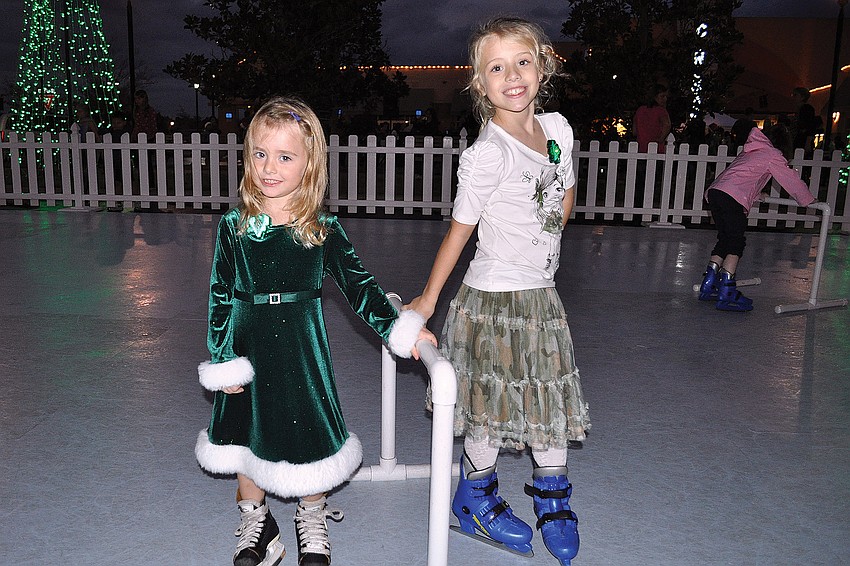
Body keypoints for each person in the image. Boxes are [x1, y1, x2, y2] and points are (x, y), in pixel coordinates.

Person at [196, 96, 435, 566]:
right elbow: (219, 295)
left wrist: (403, 331)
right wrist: (222, 357)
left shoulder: (321, 227)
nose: (269, 167)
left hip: (301, 349)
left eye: (285, 157)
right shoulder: (233, 225)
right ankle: (257, 522)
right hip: (247, 345)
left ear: (309, 164)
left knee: (308, 430)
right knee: (244, 438)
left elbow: (359, 286)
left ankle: (312, 514)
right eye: (260, 154)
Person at [406, 17, 590, 566]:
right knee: (489, 409)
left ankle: (552, 498)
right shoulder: (488, 154)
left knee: (548, 399)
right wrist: (428, 299)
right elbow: (459, 231)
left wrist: (548, 231)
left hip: (541, 298)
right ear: (479, 85)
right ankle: (476, 496)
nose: (512, 76)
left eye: (523, 62)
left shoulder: (558, 130)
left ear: (544, 66)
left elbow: (566, 191)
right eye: (496, 67)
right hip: (492, 301)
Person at [698, 122, 816, 311]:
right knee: (736, 242)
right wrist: (807, 198)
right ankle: (727, 289)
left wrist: (756, 195)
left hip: (715, 193)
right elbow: (790, 179)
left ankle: (709, 282)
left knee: (725, 239)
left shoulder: (751, 150)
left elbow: (741, 177)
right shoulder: (772, 154)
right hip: (730, 197)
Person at [633, 83, 672, 153]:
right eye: (662, 96)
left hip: (641, 149)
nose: (665, 99)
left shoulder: (640, 110)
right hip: (656, 150)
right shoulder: (661, 111)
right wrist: (660, 139)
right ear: (654, 97)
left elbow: (634, 131)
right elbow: (667, 125)